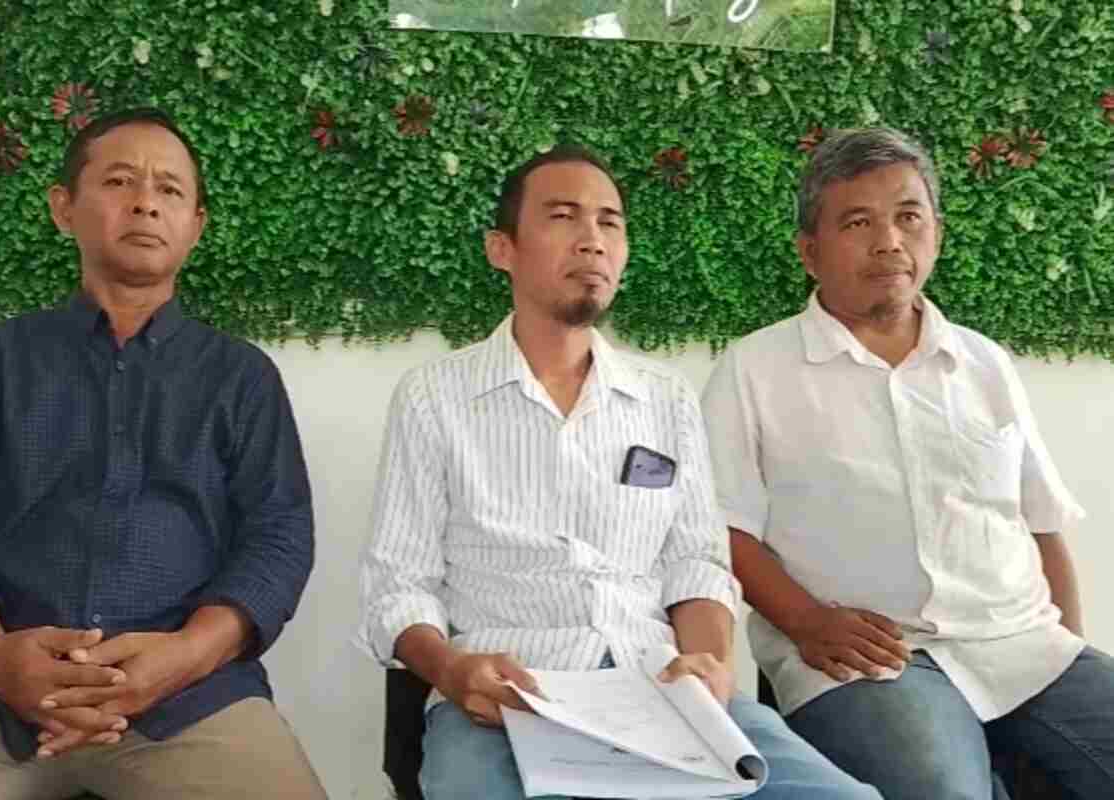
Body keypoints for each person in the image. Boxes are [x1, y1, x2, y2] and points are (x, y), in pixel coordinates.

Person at [357, 144, 880, 800]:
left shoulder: (665, 398)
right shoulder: (433, 398)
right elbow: (398, 585)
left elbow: (696, 563)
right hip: (506, 702)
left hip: (659, 688)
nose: (592, 240)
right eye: (563, 217)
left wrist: (710, 663)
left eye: (610, 221)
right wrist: (450, 670)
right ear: (501, 249)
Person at [0, 107, 326, 799]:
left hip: (189, 701)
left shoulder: (241, 378)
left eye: (169, 189)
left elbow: (280, 538)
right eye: (120, 181)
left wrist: (183, 656)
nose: (146, 201)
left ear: (196, 225)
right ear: (64, 208)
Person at [701, 126, 1114, 800]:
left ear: (936, 235)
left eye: (908, 217)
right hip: (871, 659)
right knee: (943, 790)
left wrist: (1070, 656)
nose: (889, 241)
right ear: (809, 251)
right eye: (857, 222)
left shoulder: (983, 364)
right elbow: (723, 530)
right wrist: (805, 621)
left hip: (1023, 648)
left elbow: (1041, 524)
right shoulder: (754, 370)